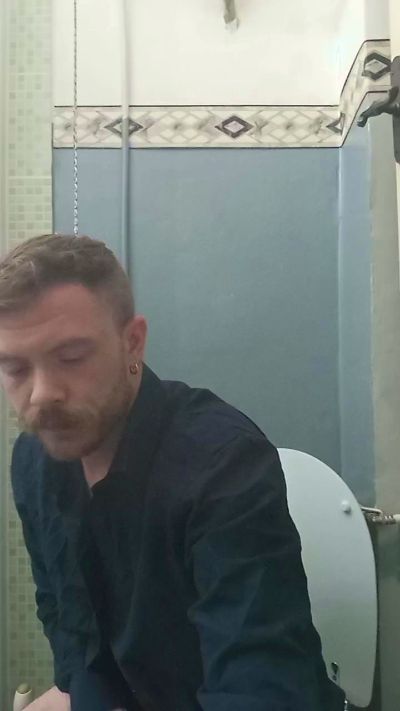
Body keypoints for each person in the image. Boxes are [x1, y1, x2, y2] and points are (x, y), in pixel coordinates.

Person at [0, 234, 345, 711]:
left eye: (72, 358)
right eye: (15, 368)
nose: (42, 394)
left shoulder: (223, 465)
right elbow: (67, 623)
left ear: (132, 342)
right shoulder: (34, 459)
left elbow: (258, 686)